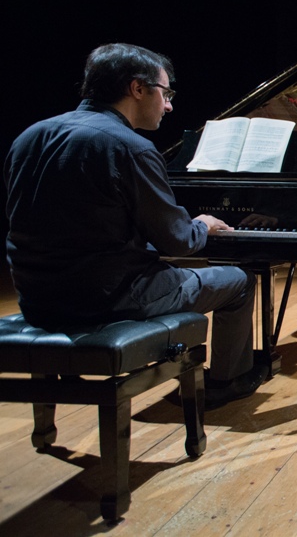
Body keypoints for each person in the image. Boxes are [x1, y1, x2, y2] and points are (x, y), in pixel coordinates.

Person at [4, 43, 266, 411]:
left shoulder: (29, 137)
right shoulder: (130, 147)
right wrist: (201, 224)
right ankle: (227, 381)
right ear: (137, 88)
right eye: (167, 92)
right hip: (108, 299)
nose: (170, 105)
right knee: (237, 279)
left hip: (37, 298)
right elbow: (177, 240)